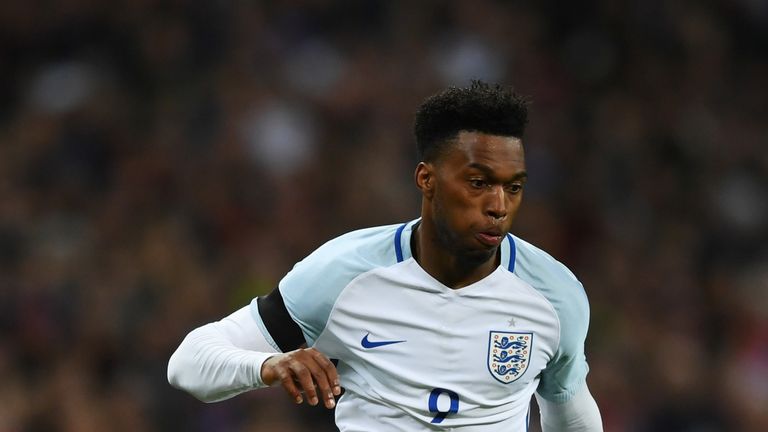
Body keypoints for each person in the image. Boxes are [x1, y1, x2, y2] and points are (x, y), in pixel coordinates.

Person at [168, 80, 603, 431]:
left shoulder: (554, 294)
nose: (498, 206)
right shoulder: (344, 274)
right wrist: (268, 363)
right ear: (426, 179)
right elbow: (189, 363)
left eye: (513, 187)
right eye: (477, 182)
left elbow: (569, 410)